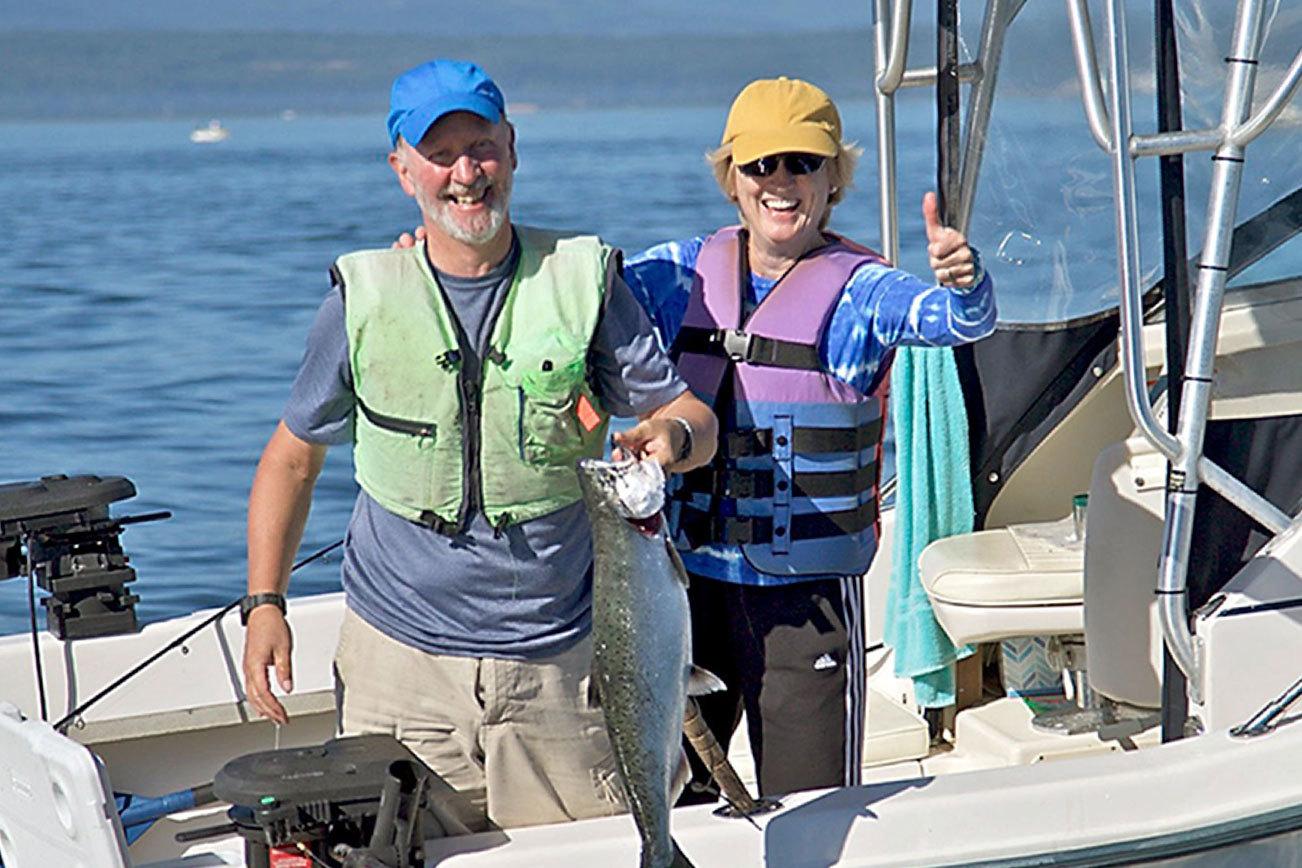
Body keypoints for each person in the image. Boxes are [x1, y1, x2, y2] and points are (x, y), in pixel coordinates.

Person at [240, 58, 717, 830]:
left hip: (561, 667)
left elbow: (692, 415)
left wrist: (674, 436)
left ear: (513, 149)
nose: (466, 173)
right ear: (403, 170)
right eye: (440, 155)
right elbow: (292, 459)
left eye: (482, 147)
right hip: (398, 667)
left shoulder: (585, 281)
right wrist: (266, 605)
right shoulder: (361, 298)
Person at [620, 77, 996, 800]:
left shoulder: (865, 292)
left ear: (835, 179)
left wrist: (966, 283)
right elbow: (571, 302)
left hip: (805, 607)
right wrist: (442, 257)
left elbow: (955, 322)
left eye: (803, 162)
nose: (781, 182)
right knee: (670, 802)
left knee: (817, 809)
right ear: (732, 178)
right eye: (761, 165)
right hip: (682, 592)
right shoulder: (673, 275)